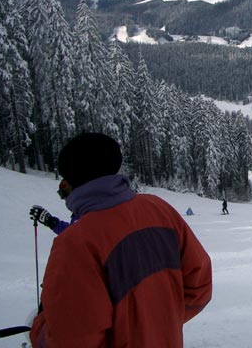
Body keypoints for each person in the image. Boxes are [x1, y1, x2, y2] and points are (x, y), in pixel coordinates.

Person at [30, 133, 212, 348]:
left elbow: (70, 340)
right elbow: (199, 286)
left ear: (72, 182)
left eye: (63, 187)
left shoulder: (73, 244)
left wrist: (39, 329)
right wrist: (158, 325)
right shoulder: (159, 209)